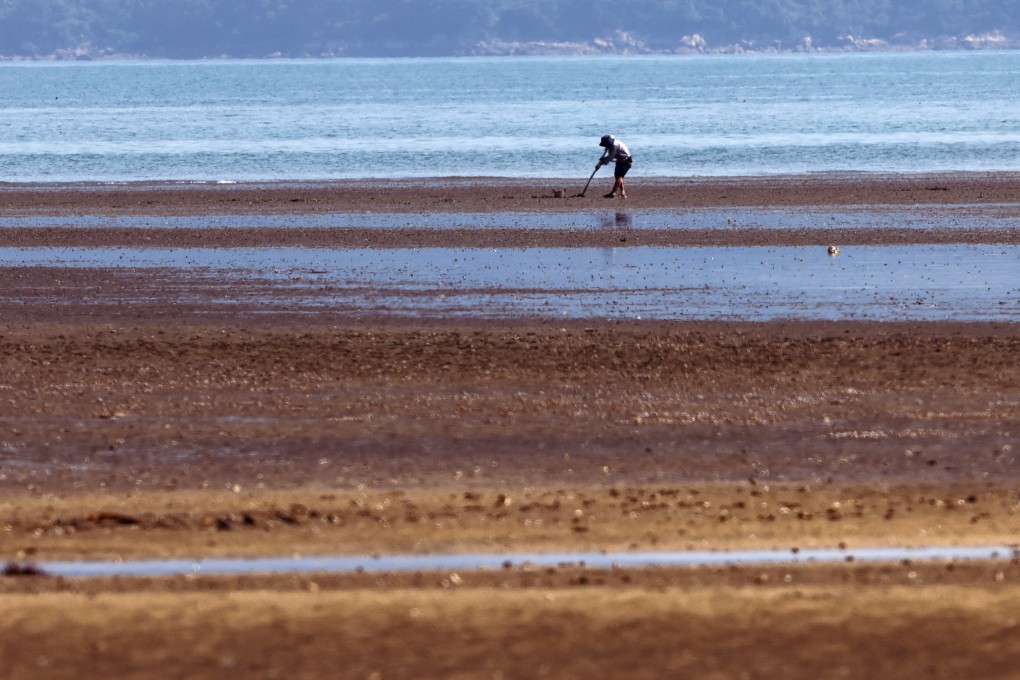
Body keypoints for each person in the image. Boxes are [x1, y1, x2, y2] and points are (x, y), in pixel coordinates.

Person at [596, 134, 632, 198]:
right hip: (620, 161)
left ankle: (613, 193)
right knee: (618, 177)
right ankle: (623, 193)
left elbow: (610, 157)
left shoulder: (614, 146)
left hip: (625, 161)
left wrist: (601, 163)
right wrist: (603, 159)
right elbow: (610, 156)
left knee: (619, 177)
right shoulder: (611, 145)